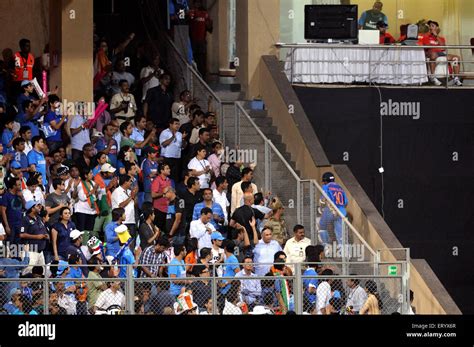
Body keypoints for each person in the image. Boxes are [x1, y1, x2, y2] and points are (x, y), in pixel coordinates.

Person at [423, 20, 462, 86]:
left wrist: (436, 36)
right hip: (430, 53)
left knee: (456, 58)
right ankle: (432, 77)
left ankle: (456, 78)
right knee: (433, 54)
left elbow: (443, 47)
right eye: (430, 26)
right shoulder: (426, 36)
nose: (431, 27)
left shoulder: (441, 38)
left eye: (433, 26)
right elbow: (425, 47)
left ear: (437, 28)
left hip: (440, 53)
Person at [319, 172, 348, 245]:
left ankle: (326, 247)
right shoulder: (340, 187)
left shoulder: (326, 186)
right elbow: (346, 202)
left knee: (322, 226)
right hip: (342, 211)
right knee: (340, 234)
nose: (324, 183)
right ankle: (345, 253)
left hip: (331, 210)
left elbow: (323, 199)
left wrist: (321, 207)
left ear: (325, 180)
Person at [19, 200, 49, 272]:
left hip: (40, 251)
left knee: (43, 274)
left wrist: (46, 235)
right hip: (30, 251)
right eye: (37, 206)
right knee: (27, 272)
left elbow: (42, 229)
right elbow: (21, 234)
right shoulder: (25, 219)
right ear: (32, 209)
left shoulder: (39, 218)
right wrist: (36, 237)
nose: (39, 207)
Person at [188, 0, 213, 77]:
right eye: (196, 2)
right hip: (193, 41)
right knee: (194, 60)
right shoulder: (191, 13)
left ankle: (203, 78)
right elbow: (187, 22)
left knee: (202, 61)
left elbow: (210, 28)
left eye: (199, 2)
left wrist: (209, 21)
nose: (197, 4)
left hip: (201, 41)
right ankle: (195, 76)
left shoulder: (205, 14)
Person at [111, 175, 138, 244]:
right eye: (130, 181)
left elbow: (135, 205)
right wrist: (131, 197)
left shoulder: (129, 191)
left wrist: (134, 196)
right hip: (122, 222)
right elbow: (121, 205)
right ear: (125, 182)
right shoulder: (117, 192)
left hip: (131, 221)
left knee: (132, 243)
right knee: (123, 243)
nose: (131, 183)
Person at [74, 168, 99, 243]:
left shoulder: (92, 183)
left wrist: (95, 192)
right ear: (85, 175)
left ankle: (89, 248)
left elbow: (95, 196)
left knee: (90, 231)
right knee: (81, 231)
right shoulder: (80, 184)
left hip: (91, 211)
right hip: (82, 211)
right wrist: (93, 190)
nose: (92, 175)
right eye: (90, 173)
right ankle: (81, 246)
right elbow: (83, 198)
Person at [160, 118, 186, 182]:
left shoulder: (179, 134)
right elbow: (163, 144)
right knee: (166, 176)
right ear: (170, 124)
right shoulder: (164, 132)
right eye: (176, 124)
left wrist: (183, 139)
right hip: (167, 158)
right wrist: (172, 137)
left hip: (177, 159)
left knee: (175, 177)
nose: (178, 126)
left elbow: (182, 147)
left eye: (178, 124)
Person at [0, 176, 23, 244]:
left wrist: (22, 197)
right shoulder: (6, 196)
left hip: (19, 223)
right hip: (11, 224)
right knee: (10, 243)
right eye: (18, 185)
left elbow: (25, 206)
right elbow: (3, 211)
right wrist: (7, 226)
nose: (20, 186)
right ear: (14, 186)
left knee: (18, 243)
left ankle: (16, 255)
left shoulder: (19, 194)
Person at [151, 163, 172, 231]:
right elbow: (153, 195)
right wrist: (163, 192)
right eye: (167, 169)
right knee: (158, 230)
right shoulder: (157, 180)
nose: (169, 170)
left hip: (167, 209)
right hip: (159, 209)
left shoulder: (168, 180)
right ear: (162, 171)